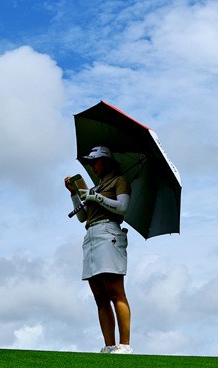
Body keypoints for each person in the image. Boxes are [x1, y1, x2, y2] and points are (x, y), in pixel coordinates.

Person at [65, 145, 133, 354]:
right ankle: (109, 345)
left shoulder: (119, 181)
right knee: (99, 295)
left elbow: (122, 207)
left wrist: (97, 198)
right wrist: (75, 194)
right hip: (91, 234)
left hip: (108, 232)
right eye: (91, 162)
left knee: (115, 290)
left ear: (107, 160)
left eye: (96, 161)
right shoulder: (95, 187)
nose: (93, 166)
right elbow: (82, 217)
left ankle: (125, 345)